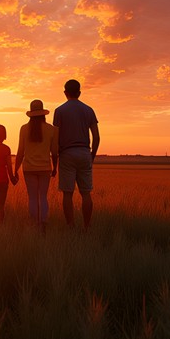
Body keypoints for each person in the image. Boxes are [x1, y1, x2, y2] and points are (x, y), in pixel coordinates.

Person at [52, 79, 99, 231]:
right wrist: (92, 155)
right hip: (84, 152)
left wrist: (56, 157)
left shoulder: (59, 111)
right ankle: (87, 226)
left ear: (65, 93)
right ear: (79, 92)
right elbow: (97, 137)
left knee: (67, 194)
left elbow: (56, 137)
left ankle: (70, 226)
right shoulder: (89, 110)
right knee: (86, 193)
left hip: (66, 153)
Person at [14, 99, 59, 234]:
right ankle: (43, 224)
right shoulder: (52, 129)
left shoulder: (24, 128)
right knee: (43, 197)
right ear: (43, 114)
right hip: (45, 168)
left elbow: (20, 152)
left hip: (28, 168)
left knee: (32, 198)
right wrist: (55, 167)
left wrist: (15, 170)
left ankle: (34, 224)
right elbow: (55, 152)